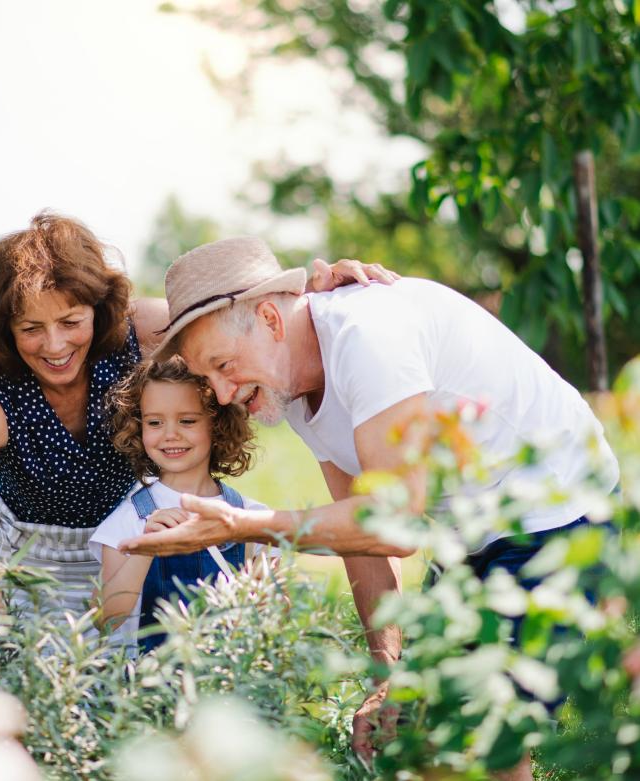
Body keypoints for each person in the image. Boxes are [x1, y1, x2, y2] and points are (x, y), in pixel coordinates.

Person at [118, 236, 620, 780]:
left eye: (222, 365)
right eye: (206, 376)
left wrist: (246, 526)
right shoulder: (290, 383)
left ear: (270, 317)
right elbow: (359, 534)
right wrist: (388, 677)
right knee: (419, 731)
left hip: (561, 511)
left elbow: (395, 521)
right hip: (474, 531)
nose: (218, 391)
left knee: (484, 734)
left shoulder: (368, 339)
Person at [0, 212, 394, 622]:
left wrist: (313, 302)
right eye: (31, 329)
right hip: (23, 561)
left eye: (71, 322)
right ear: (6, 330)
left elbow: (233, 322)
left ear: (97, 310)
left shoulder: (142, 332)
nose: (55, 346)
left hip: (121, 548)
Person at [88, 355, 276, 653]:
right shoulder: (128, 521)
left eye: (187, 420)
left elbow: (277, 619)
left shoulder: (251, 518)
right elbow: (106, 619)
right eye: (154, 422)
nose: (170, 434)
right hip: (154, 690)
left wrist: (260, 595)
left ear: (218, 425)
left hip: (231, 687)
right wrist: (145, 548)